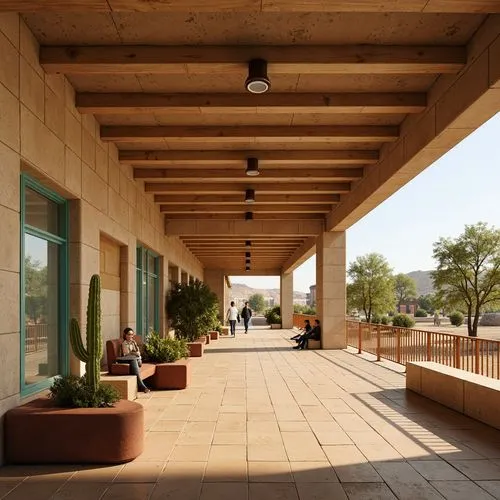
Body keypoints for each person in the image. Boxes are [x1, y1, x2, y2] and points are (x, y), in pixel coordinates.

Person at [117, 328, 150, 393]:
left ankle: (140, 386)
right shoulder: (124, 343)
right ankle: (143, 387)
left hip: (134, 359)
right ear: (125, 335)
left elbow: (138, 352)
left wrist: (135, 353)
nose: (130, 336)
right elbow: (126, 354)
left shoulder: (133, 342)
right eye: (129, 334)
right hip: (125, 359)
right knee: (134, 361)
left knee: (135, 361)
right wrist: (135, 353)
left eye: (132, 334)